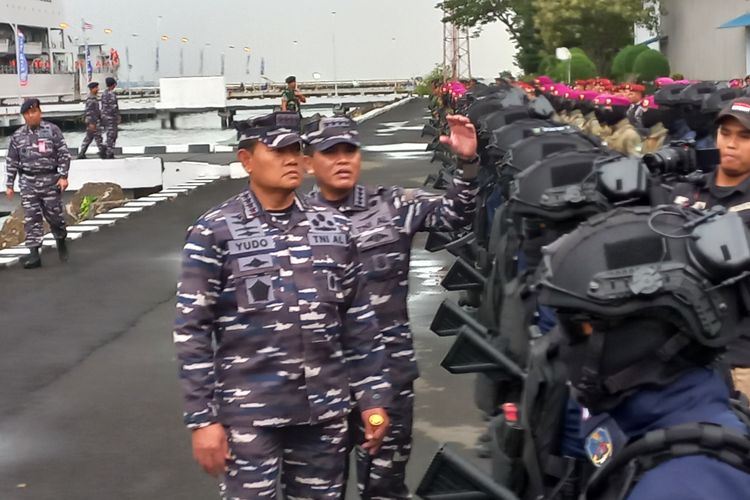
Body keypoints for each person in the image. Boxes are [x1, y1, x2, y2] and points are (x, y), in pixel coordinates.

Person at [173, 111, 390, 500]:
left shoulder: (334, 228)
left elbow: (358, 322)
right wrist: (202, 420)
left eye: (296, 149)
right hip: (250, 415)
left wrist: (373, 399)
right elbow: (192, 330)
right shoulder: (215, 231)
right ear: (246, 160)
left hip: (324, 412)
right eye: (278, 150)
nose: (292, 159)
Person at [302, 115, 479, 499]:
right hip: (320, 383)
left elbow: (455, 215)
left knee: (385, 488)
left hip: (388, 376)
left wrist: (467, 165)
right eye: (330, 153)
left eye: (350, 150)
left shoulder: (393, 204)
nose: (342, 160)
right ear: (308, 162)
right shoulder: (291, 222)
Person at [537, 206, 750, 500]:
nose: (564, 344)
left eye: (581, 327)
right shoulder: (646, 421)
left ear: (651, 336)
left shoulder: (683, 488)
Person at [671, 97, 750, 399]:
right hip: (681, 353)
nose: (731, 144)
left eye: (744, 136)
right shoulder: (685, 191)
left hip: (739, 359)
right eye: (725, 134)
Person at [4, 98, 71, 269]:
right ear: (24, 116)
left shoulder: (52, 130)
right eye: (27, 113)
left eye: (34, 112)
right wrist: (9, 184)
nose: (31, 116)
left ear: (40, 112)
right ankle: (34, 254)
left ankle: (61, 239)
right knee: (31, 218)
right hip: (28, 182)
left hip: (50, 181)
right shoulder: (18, 136)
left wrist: (63, 176)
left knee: (54, 217)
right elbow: (12, 161)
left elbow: (63, 154)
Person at [78, 81, 106, 160]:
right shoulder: (91, 99)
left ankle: (82, 153)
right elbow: (89, 112)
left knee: (89, 138)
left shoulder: (93, 98)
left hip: (94, 121)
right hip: (93, 122)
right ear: (92, 89)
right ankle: (102, 153)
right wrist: (91, 123)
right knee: (97, 137)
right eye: (96, 88)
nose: (98, 89)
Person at [101, 77, 120, 159]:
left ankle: (107, 150)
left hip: (105, 117)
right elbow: (114, 107)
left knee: (109, 134)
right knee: (112, 135)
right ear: (113, 84)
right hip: (111, 117)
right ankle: (109, 152)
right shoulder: (111, 94)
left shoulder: (104, 93)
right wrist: (118, 116)